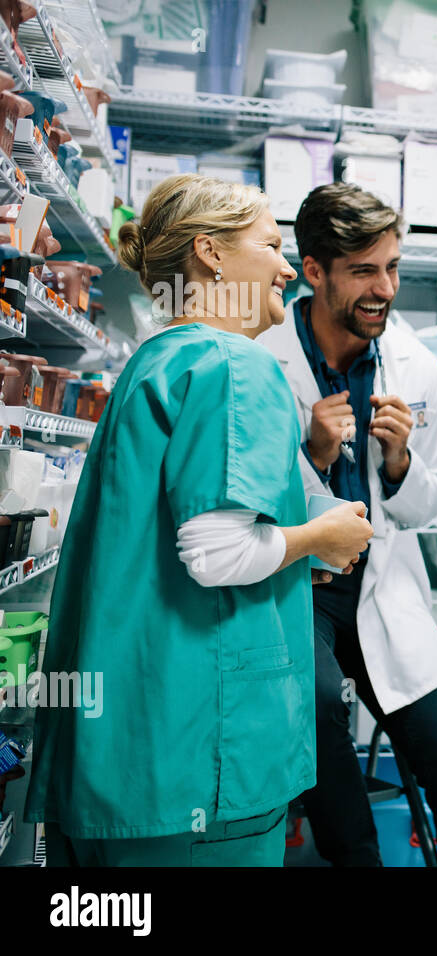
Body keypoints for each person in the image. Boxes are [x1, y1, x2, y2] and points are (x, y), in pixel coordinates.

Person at [24, 174, 374, 866]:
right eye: (272, 245)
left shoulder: (160, 360)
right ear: (211, 254)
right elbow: (216, 554)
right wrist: (318, 540)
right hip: (197, 761)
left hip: (128, 757)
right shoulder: (233, 364)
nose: (284, 266)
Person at [259, 183, 437, 867]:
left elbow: (429, 503)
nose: (384, 289)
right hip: (298, 585)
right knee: (316, 716)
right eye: (364, 271)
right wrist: (311, 455)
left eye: (392, 267)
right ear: (314, 272)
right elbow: (242, 507)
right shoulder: (259, 359)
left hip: (381, 586)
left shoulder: (417, 367)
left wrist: (399, 462)